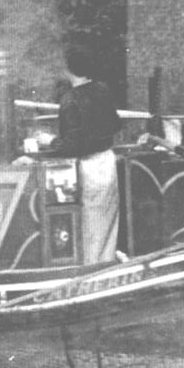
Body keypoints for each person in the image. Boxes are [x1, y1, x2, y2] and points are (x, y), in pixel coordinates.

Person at [28, 44, 122, 264]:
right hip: (107, 161)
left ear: (68, 70)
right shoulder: (103, 89)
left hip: (86, 167)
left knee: (87, 222)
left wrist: (49, 140)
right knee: (107, 220)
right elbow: (116, 125)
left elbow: (71, 146)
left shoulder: (70, 99)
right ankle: (105, 263)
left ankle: (89, 268)